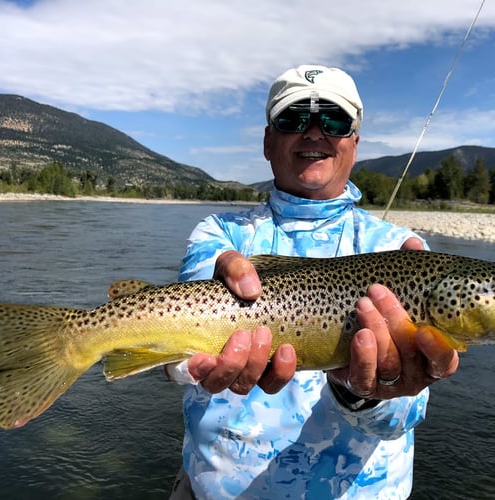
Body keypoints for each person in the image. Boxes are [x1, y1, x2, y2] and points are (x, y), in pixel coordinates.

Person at [165, 64, 459, 499]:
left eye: (334, 121)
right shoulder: (219, 235)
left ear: (354, 144)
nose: (314, 132)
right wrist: (181, 366)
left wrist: (365, 392)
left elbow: (405, 417)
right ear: (268, 141)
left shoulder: (403, 252)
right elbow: (177, 359)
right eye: (293, 118)